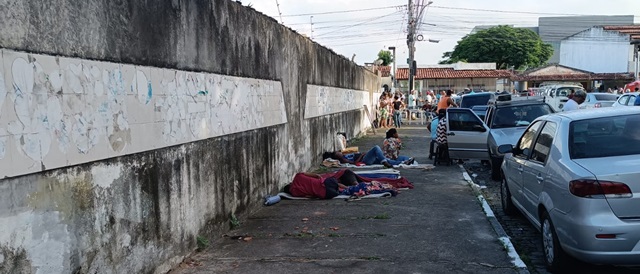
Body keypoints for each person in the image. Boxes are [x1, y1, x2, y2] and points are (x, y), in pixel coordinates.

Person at [283, 170, 359, 199]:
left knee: (338, 190)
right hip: (326, 183)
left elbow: (308, 196)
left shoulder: (294, 193)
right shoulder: (298, 176)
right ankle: (350, 188)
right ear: (290, 183)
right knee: (337, 184)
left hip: (326, 194)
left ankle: (350, 191)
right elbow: (317, 176)